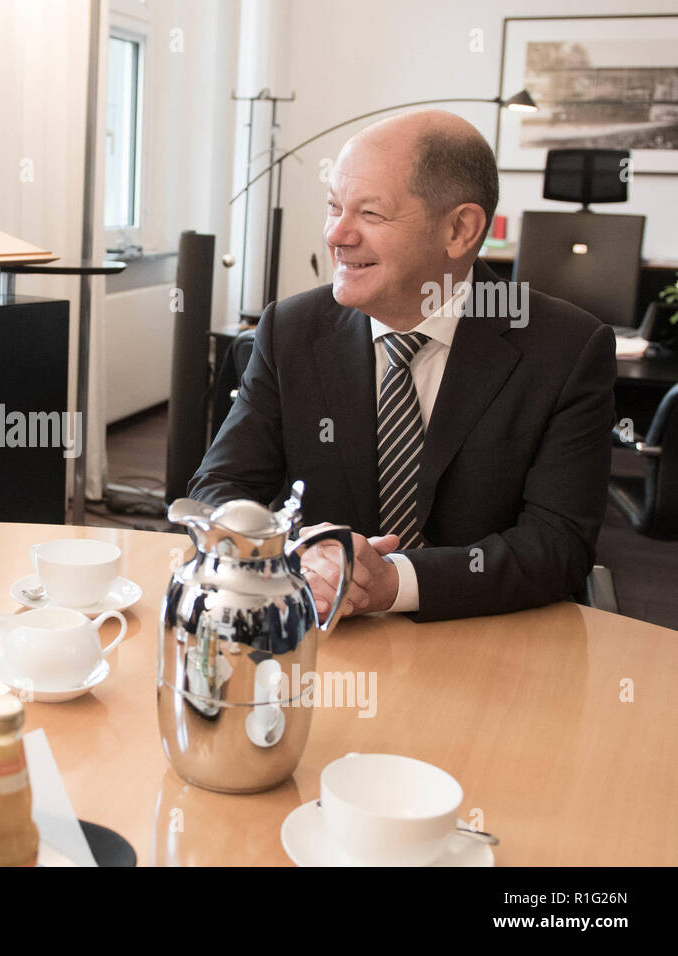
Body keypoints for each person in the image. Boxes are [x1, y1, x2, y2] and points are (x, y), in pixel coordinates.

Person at [190, 110, 615, 622]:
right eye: (333, 208)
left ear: (460, 229)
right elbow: (218, 489)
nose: (337, 235)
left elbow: (559, 545)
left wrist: (395, 583)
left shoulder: (565, 348)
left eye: (370, 214)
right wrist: (296, 549)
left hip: (486, 639)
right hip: (324, 634)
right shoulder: (292, 329)